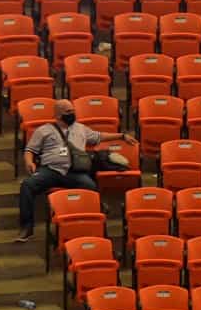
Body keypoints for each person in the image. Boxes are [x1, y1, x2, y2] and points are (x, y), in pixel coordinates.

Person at [16, 99, 138, 243]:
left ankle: (91, 226)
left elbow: (100, 137)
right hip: (51, 170)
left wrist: (122, 136)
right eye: (68, 112)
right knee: (27, 185)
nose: (72, 114)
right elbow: (30, 150)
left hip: (74, 172)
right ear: (58, 114)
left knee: (91, 187)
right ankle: (27, 227)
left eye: (73, 111)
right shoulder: (44, 130)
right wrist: (29, 162)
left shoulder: (81, 128)